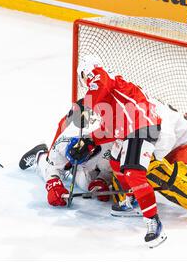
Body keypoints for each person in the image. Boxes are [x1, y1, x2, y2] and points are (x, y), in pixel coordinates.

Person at [69, 55, 166, 248]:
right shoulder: (107, 94)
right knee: (115, 163)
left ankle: (154, 222)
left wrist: (84, 106)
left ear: (84, 73)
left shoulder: (100, 76)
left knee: (133, 172)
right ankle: (132, 200)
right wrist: (90, 141)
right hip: (130, 128)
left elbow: (100, 81)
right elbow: (110, 128)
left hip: (142, 125)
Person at [19, 136, 113, 206]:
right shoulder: (61, 146)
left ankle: (79, 169)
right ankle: (40, 154)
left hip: (89, 166)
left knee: (86, 184)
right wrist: (54, 185)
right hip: (68, 159)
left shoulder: (107, 150)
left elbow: (109, 171)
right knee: (49, 169)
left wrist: (102, 180)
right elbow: (52, 168)